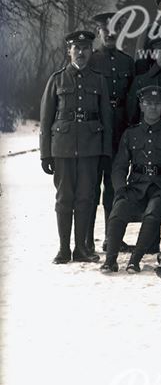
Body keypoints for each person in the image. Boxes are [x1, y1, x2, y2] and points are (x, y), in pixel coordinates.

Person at [39, 30, 113, 263]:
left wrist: (105, 152)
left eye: (86, 48)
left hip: (91, 148)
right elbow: (45, 119)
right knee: (64, 198)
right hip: (62, 148)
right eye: (76, 48)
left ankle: (81, 248)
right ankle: (63, 249)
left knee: (85, 197)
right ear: (69, 51)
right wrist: (45, 154)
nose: (81, 53)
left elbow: (106, 120)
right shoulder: (57, 79)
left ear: (92, 51)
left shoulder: (99, 80)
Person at [101, 85, 161, 273]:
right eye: (148, 103)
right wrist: (120, 189)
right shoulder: (131, 133)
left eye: (157, 104)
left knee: (153, 213)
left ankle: (135, 260)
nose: (152, 107)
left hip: (160, 187)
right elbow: (119, 166)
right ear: (141, 106)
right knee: (118, 210)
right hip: (135, 187)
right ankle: (110, 260)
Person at [89, 11, 135, 251]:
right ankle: (87, 240)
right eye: (106, 30)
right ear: (99, 33)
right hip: (97, 131)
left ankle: (112, 236)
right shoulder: (91, 60)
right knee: (92, 185)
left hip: (119, 130)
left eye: (115, 30)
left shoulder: (128, 62)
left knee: (115, 183)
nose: (110, 34)